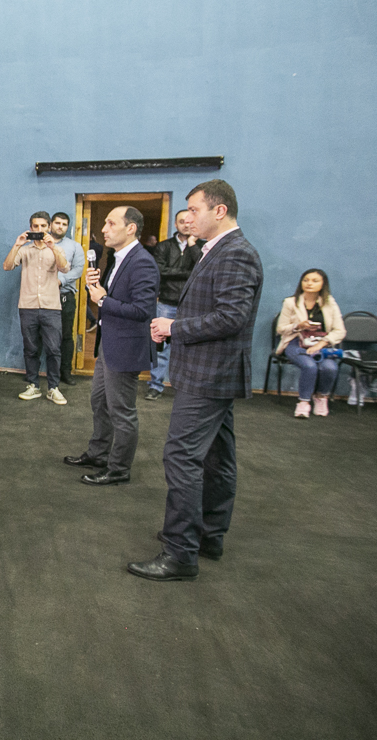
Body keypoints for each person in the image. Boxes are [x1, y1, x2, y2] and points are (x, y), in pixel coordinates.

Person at [131, 179, 263, 582]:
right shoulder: (218, 250)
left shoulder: (235, 253)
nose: (187, 217)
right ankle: (207, 535)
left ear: (219, 211)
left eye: (194, 209)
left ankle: (180, 553)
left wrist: (174, 327)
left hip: (210, 373)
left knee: (182, 457)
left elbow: (231, 317)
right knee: (217, 459)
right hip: (212, 371)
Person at [63, 207, 159, 486]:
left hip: (126, 347)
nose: (104, 229)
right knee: (99, 401)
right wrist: (96, 289)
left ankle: (118, 468)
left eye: (110, 223)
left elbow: (142, 310)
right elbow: (110, 296)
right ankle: (98, 454)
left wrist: (103, 300)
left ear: (131, 228)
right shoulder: (118, 258)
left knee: (121, 411)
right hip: (110, 343)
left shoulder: (142, 262)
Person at [4, 211, 70, 403]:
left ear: (48, 227)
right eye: (36, 226)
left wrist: (53, 247)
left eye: (43, 226)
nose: (39, 229)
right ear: (31, 228)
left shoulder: (56, 248)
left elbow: (64, 268)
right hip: (28, 306)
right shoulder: (24, 250)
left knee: (54, 349)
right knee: (31, 349)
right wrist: (17, 245)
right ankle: (33, 385)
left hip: (51, 307)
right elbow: (7, 266)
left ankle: (53, 388)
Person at [146, 209, 202, 400]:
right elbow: (160, 271)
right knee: (160, 347)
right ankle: (155, 386)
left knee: (190, 348)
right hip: (166, 303)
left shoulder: (202, 246)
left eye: (189, 221)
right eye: (182, 221)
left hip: (191, 305)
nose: (186, 224)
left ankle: (187, 389)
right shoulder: (164, 246)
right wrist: (188, 273)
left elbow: (202, 269)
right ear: (176, 224)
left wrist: (192, 245)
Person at [276, 269, 346, 418]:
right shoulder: (290, 302)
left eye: (315, 281)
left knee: (329, 368)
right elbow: (280, 328)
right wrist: (298, 326)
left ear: (323, 284)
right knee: (309, 366)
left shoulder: (330, 303)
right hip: (296, 342)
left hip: (321, 344)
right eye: (306, 280)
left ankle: (321, 397)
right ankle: (304, 402)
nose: (309, 283)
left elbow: (340, 331)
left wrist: (321, 344)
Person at [49, 212, 86, 386]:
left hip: (64, 296)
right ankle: (36, 372)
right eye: (57, 223)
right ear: (51, 224)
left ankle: (65, 372)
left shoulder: (74, 246)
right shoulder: (40, 244)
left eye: (64, 224)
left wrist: (60, 281)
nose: (60, 227)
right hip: (41, 297)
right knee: (39, 335)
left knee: (66, 336)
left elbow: (78, 270)